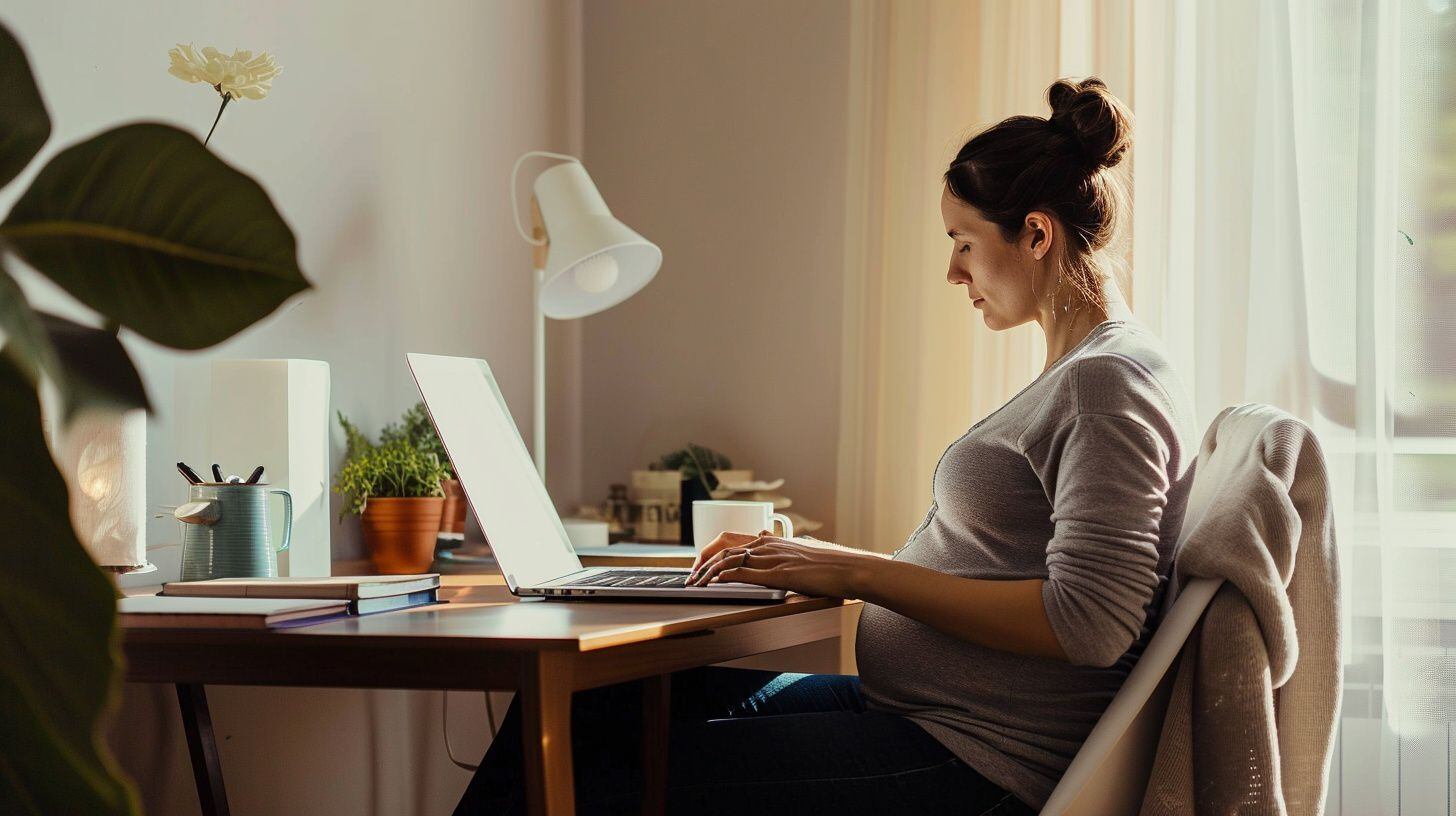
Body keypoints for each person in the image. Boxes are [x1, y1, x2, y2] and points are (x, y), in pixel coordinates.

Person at [455, 76, 1196, 816]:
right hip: (917, 716)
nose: (953, 271)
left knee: (593, 774)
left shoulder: (1109, 384)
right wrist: (817, 563)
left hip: (973, 759)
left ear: (1036, 234)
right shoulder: (1084, 373)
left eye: (964, 242)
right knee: (589, 704)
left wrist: (853, 570)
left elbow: (1091, 624)